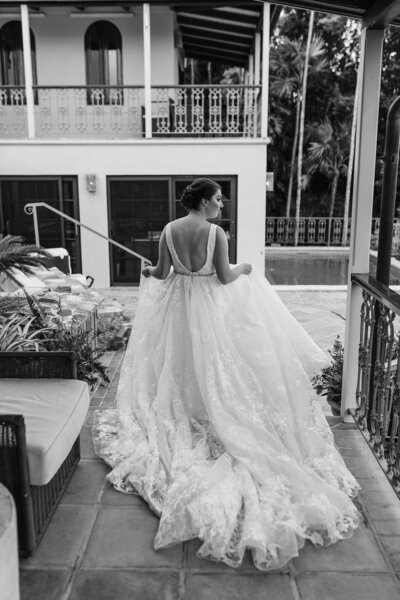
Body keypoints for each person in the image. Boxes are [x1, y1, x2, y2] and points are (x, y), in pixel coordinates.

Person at [94, 177, 360, 571]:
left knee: (178, 369)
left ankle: (190, 411)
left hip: (178, 311)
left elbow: (162, 272)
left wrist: (148, 269)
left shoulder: (169, 229)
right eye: (218, 198)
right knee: (216, 367)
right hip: (208, 311)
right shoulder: (215, 233)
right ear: (203, 202)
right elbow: (222, 277)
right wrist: (245, 268)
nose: (222, 203)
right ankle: (212, 412)